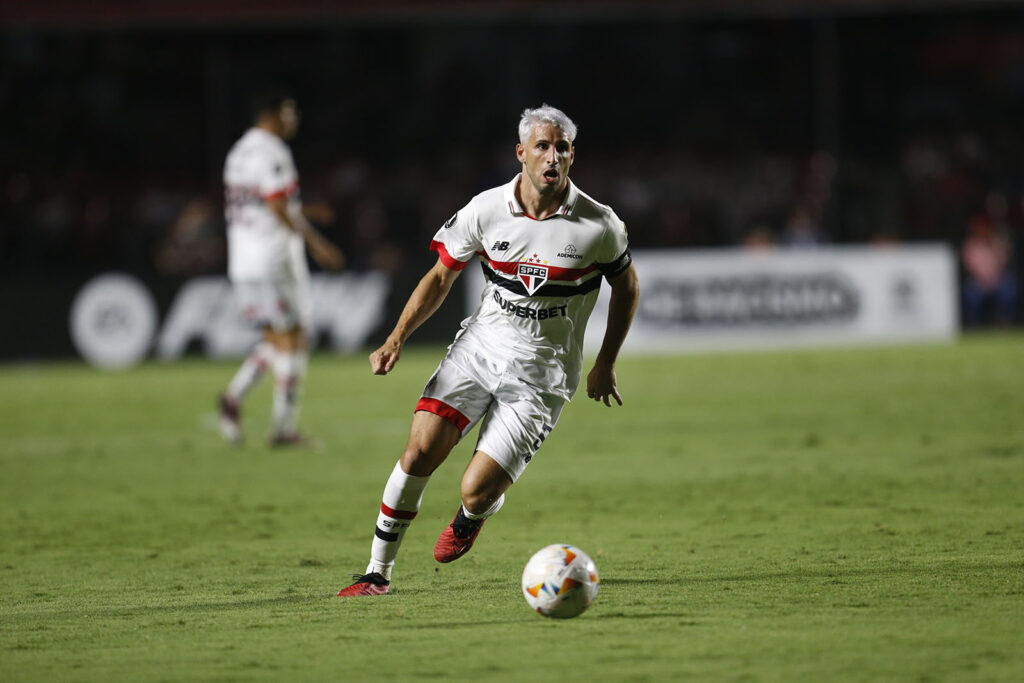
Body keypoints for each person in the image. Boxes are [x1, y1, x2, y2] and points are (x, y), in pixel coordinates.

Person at [338, 104, 640, 597]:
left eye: (562, 147)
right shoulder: (485, 209)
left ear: (572, 156)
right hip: (479, 351)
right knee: (418, 452)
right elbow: (440, 276)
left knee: (474, 490)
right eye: (543, 146)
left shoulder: (598, 225)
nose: (553, 156)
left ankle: (473, 514)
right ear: (521, 152)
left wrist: (606, 361)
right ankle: (376, 573)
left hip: (543, 377)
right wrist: (396, 337)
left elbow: (627, 289)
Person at [218, 91, 343, 446]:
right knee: (295, 337)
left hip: (242, 258)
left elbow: (265, 204)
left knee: (275, 337)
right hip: (273, 258)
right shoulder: (273, 152)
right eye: (289, 112)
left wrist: (304, 211)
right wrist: (318, 243)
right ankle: (283, 429)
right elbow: (275, 206)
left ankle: (232, 399)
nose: (294, 118)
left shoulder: (238, 152)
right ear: (270, 115)